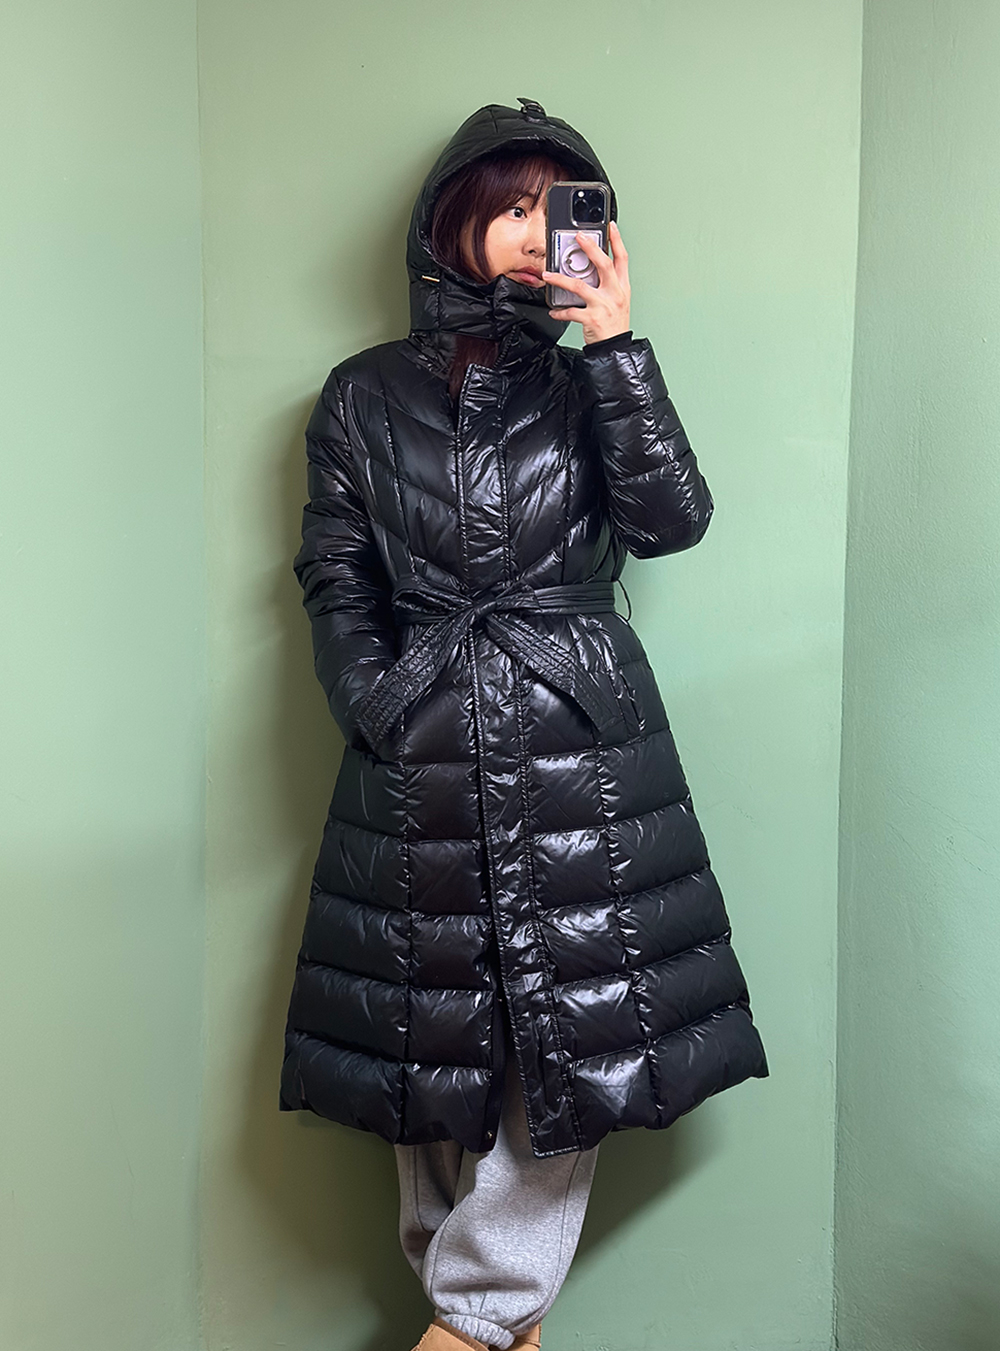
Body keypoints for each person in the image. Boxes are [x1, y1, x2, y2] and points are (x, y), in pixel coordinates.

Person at [279, 99, 770, 1351]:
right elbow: (337, 573)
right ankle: (499, 1322)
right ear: (449, 219)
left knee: (572, 1018)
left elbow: (669, 524)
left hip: (574, 737)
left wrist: (615, 347)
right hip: (421, 734)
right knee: (428, 1036)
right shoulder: (361, 393)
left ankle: (474, 1318)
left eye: (557, 209)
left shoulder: (590, 378)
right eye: (509, 206)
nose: (533, 231)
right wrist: (372, 699)